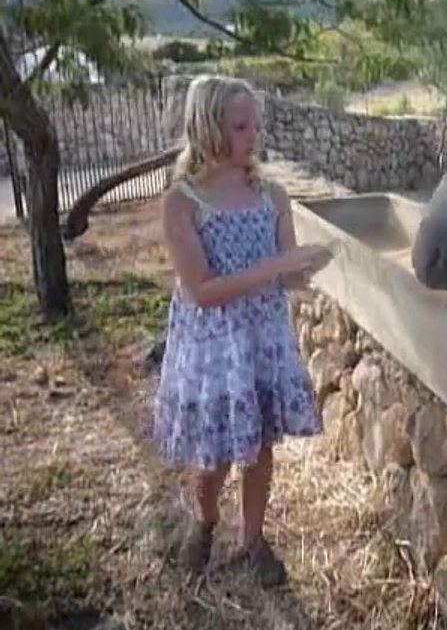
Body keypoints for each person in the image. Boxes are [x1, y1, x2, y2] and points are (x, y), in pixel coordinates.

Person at [152, 73, 335, 587]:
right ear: (207, 127)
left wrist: (312, 267)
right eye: (240, 126)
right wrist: (275, 269)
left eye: (256, 124)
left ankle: (253, 540)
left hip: (261, 339)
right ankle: (206, 519)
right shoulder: (182, 202)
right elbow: (202, 290)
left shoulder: (272, 195)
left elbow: (290, 273)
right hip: (214, 347)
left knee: (260, 447)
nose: (253, 136)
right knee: (212, 456)